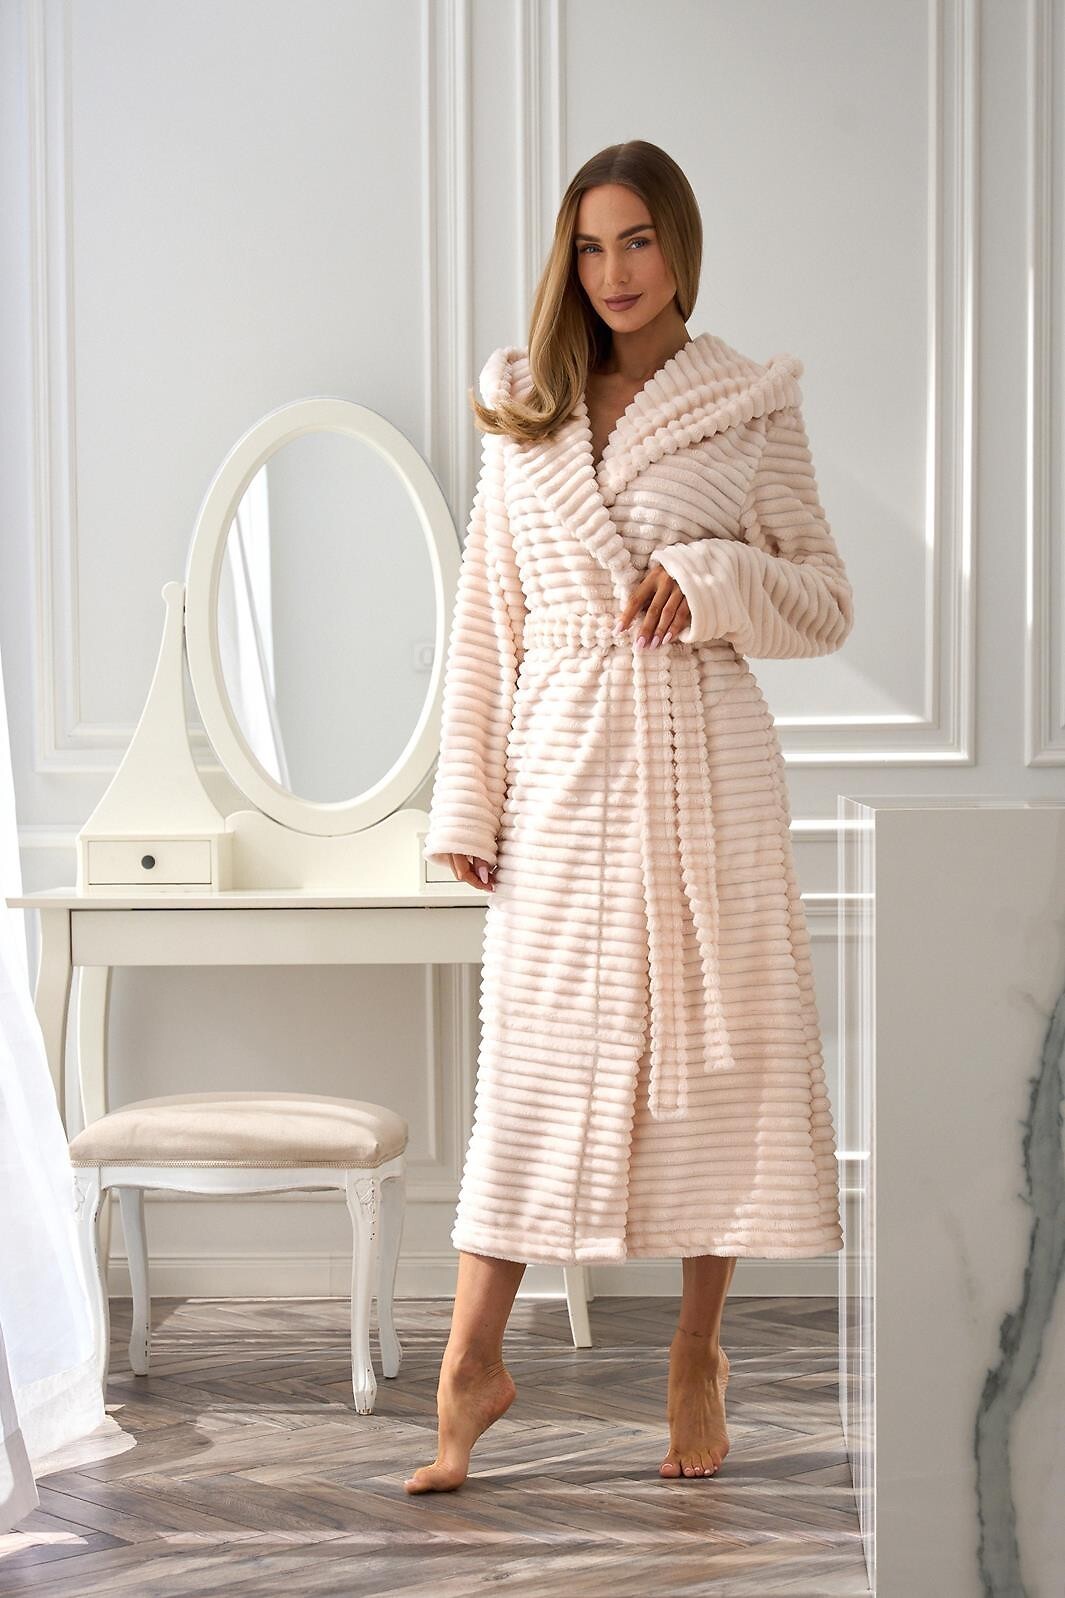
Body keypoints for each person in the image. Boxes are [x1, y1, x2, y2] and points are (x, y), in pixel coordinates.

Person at [406, 139, 854, 1494]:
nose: (614, 272)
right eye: (591, 246)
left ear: (679, 246)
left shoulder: (746, 406)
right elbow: (487, 622)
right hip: (562, 768)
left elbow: (824, 601)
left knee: (720, 1058)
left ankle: (697, 1348)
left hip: (702, 762)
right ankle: (471, 1361)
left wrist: (709, 574)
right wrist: (468, 798)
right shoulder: (523, 409)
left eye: (639, 240)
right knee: (532, 1067)